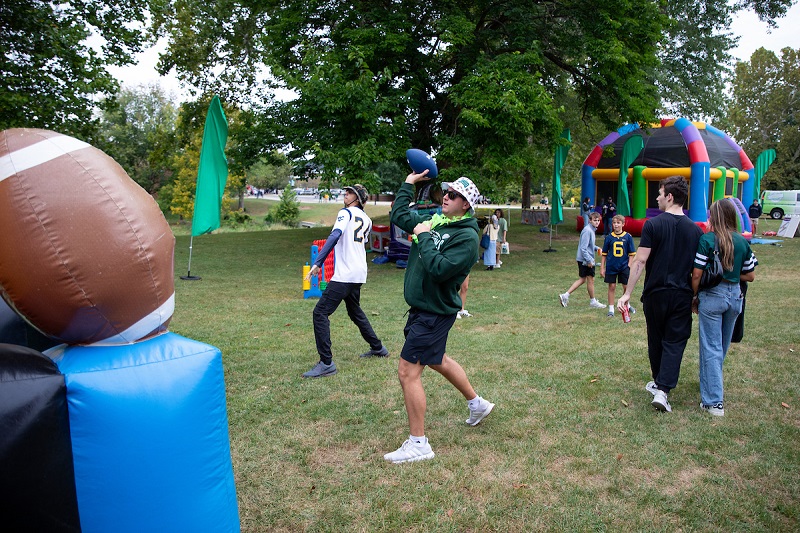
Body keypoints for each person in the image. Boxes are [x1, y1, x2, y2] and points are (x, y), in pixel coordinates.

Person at [384, 172, 494, 464]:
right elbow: (398, 214)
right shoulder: (437, 220)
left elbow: (440, 269)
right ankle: (478, 404)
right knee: (436, 359)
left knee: (408, 372)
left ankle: (419, 444)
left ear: (466, 206)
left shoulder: (467, 238)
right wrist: (409, 183)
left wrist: (423, 236)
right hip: (423, 308)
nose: (446, 196)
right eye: (446, 191)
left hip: (434, 312)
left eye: (454, 195)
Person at [617, 176, 703, 413]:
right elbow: (698, 270)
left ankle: (661, 387)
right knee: (674, 341)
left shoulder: (652, 225)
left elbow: (640, 261)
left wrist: (627, 294)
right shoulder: (695, 231)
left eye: (659, 193)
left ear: (670, 197)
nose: (656, 197)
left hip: (656, 294)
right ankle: (661, 387)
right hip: (681, 295)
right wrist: (696, 296)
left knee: (657, 339)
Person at [302, 184, 388, 378]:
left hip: (345, 274)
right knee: (354, 311)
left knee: (320, 313)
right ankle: (378, 347)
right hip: (359, 273)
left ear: (357, 198)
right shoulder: (367, 219)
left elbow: (335, 235)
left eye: (349, 193)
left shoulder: (345, 213)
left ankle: (326, 363)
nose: (345, 194)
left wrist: (318, 262)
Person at [691, 199, 758, 416]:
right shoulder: (742, 241)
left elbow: (697, 274)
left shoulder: (707, 240)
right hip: (735, 296)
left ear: (715, 217)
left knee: (711, 346)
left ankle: (714, 402)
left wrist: (694, 295)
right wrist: (730, 273)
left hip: (712, 296)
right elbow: (750, 275)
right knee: (721, 345)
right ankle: (711, 384)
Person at [559, 212, 606, 309]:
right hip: (585, 260)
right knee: (590, 279)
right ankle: (592, 301)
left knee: (583, 279)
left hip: (585, 259)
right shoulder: (587, 230)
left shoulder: (591, 230)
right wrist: (589, 260)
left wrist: (597, 248)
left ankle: (565, 295)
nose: (597, 222)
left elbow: (589, 245)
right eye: (595, 220)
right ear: (590, 220)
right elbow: (583, 248)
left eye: (598, 220)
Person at [600, 215, 636, 317]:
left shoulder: (628, 237)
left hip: (624, 266)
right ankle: (611, 308)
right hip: (611, 266)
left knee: (626, 286)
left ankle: (627, 305)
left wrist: (629, 266)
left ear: (623, 224)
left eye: (618, 223)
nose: (616, 225)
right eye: (614, 223)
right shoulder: (609, 237)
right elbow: (604, 254)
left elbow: (632, 253)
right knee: (612, 286)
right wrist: (602, 267)